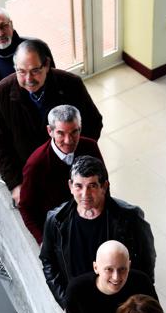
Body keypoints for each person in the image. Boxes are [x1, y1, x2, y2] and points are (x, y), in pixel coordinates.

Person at [0, 39, 103, 204]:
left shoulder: (71, 84)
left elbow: (93, 122)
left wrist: (75, 157)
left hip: (70, 170)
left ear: (47, 65)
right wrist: (15, 184)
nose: (28, 78)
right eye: (21, 71)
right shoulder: (2, 92)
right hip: (30, 176)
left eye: (35, 71)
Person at [40, 156, 156, 308]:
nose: (85, 194)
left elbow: (146, 262)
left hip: (121, 303)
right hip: (82, 304)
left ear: (104, 186)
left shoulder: (129, 218)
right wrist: (66, 301)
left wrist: (135, 304)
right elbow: (48, 261)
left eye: (92, 186)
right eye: (79, 186)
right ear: (70, 186)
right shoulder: (56, 220)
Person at [0, 9, 54, 152]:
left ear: (11, 25)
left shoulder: (38, 48)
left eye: (3, 26)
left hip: (43, 126)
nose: (0, 33)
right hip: (8, 134)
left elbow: (54, 85)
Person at [19, 104, 103, 243]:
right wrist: (43, 242)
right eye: (61, 133)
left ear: (80, 129)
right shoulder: (36, 164)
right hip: (61, 231)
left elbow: (103, 185)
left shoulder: (91, 147)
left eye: (74, 132)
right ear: (50, 131)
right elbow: (26, 207)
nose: (68, 141)